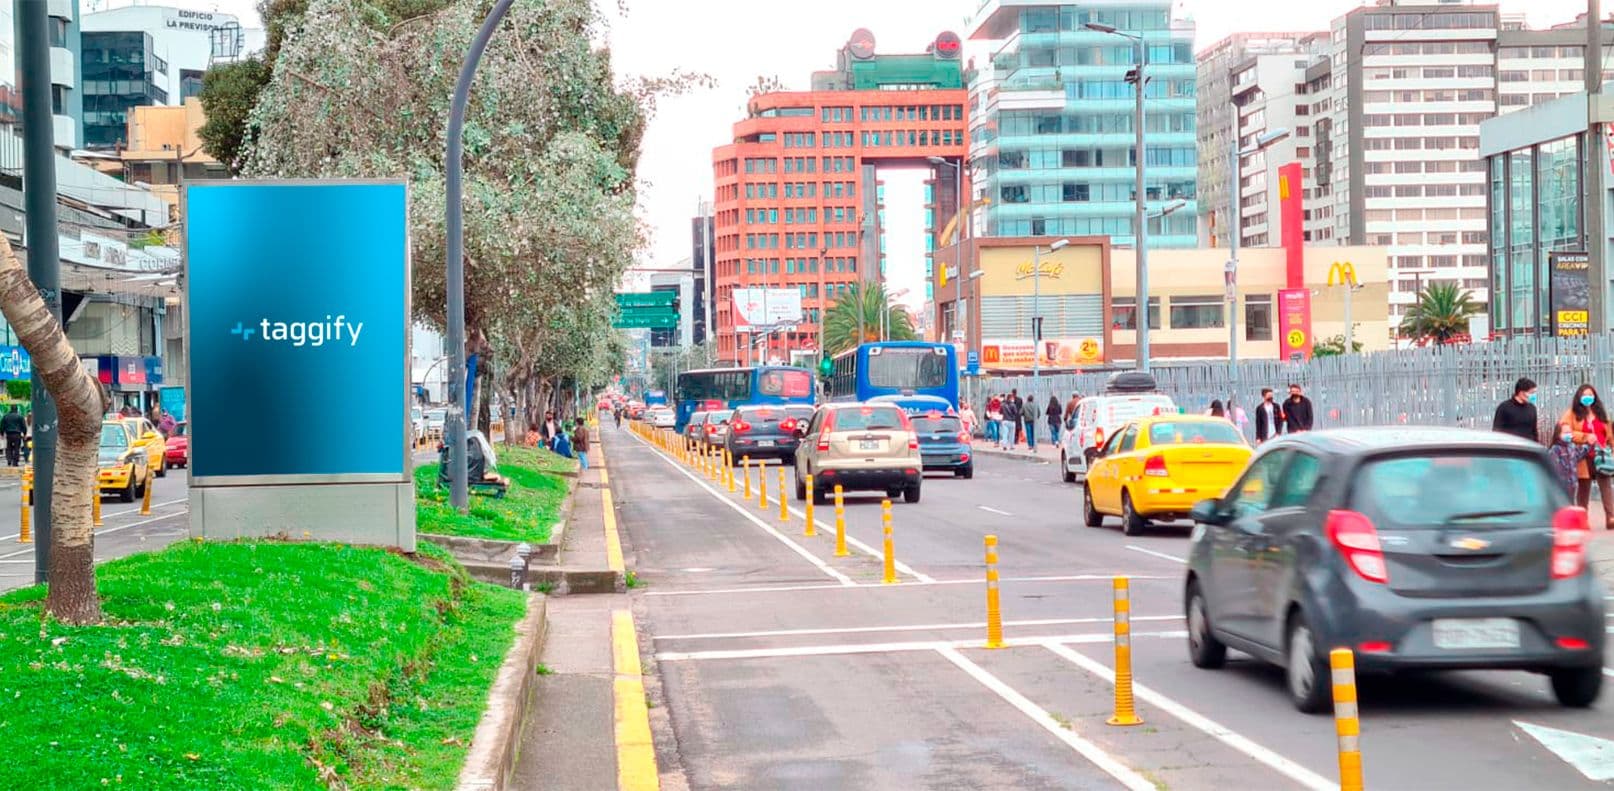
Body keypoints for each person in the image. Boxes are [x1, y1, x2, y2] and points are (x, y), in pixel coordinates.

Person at [1562, 383, 1614, 528]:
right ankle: (1582, 520)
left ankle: (1610, 518)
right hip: (1583, 456)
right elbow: (1565, 431)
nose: (1588, 398)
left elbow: (1608, 433)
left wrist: (1610, 447)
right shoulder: (1572, 413)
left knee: (1606, 487)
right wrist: (1585, 436)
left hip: (1601, 454)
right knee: (1584, 489)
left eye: (1591, 395)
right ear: (1579, 396)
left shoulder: (1600, 413)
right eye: (1585, 395)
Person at [1548, 422, 1591, 501]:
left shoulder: (1571, 446)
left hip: (1573, 485)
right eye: (1565, 433)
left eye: (1570, 432)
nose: (1568, 435)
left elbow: (1579, 454)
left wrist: (1589, 444)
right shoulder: (1555, 450)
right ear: (1558, 434)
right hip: (1561, 487)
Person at [1491, 377, 1539, 443]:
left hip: (1528, 448)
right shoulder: (1504, 407)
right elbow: (1497, 430)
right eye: (1531, 393)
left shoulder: (1532, 408)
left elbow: (1534, 431)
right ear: (1521, 392)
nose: (1533, 395)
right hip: (1511, 448)